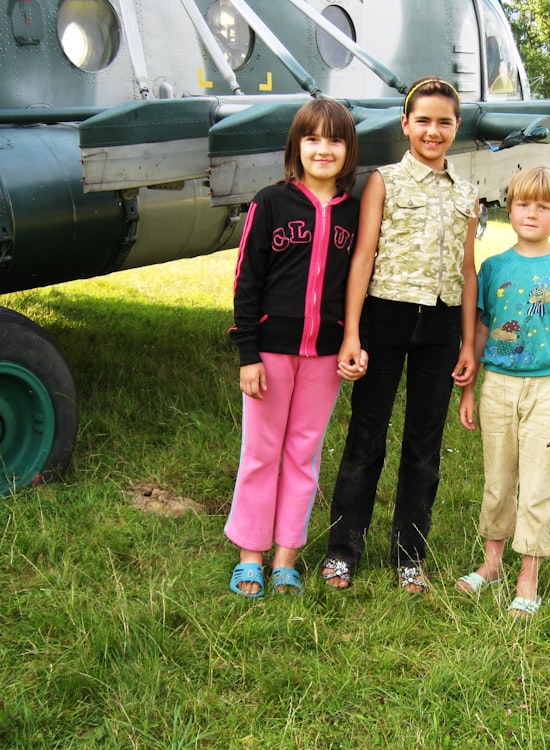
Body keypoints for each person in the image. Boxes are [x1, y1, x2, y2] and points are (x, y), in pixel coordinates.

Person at [321, 77, 479, 594]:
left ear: (457, 127)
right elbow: (362, 257)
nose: (434, 131)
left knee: (423, 445)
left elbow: (467, 270)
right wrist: (352, 334)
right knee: (367, 437)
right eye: (424, 120)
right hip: (385, 318)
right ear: (405, 124)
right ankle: (343, 549)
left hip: (439, 326)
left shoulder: (467, 194)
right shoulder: (384, 182)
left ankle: (410, 556)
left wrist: (467, 343)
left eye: (445, 122)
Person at [224, 98, 367, 598]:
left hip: (325, 357)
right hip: (271, 352)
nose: (323, 149)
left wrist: (351, 341)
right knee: (261, 452)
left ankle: (286, 555)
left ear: (349, 150)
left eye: (334, 140)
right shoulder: (271, 202)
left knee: (303, 455)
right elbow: (247, 281)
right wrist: (247, 353)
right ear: (297, 146)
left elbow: (358, 284)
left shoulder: (355, 211)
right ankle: (250, 555)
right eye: (313, 138)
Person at [456, 165, 550, 618]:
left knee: (538, 484)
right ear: (509, 208)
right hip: (497, 385)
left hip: (549, 390)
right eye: (522, 204)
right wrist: (469, 390)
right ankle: (492, 562)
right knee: (498, 481)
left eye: (543, 206)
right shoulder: (494, 268)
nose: (531, 213)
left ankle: (528, 576)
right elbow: (478, 333)